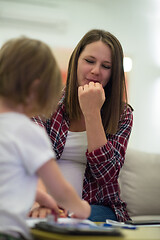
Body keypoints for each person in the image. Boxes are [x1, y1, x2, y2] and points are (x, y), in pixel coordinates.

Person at [31, 29, 133, 222]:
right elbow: (32, 158)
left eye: (106, 66)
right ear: (76, 61)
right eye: (89, 61)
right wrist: (42, 201)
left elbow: (106, 175)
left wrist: (92, 112)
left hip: (96, 206)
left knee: (75, 219)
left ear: (114, 72)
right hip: (44, 199)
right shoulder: (45, 102)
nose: (96, 71)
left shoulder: (123, 114)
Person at [0, 37, 91, 240]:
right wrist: (82, 209)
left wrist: (43, 199)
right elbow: (60, 190)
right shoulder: (28, 131)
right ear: (36, 89)